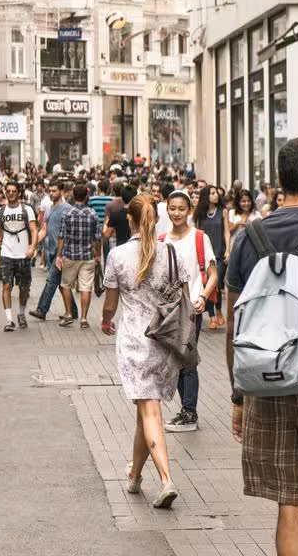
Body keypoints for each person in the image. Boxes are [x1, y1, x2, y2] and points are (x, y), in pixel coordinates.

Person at [226, 138, 298, 554]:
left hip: (265, 383)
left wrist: (238, 397)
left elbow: (236, 321)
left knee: (291, 501)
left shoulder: (248, 238)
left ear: (278, 179)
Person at [100, 195, 195, 510]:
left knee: (149, 410)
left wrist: (104, 320)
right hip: (166, 343)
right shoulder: (170, 251)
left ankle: (166, 479)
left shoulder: (117, 255)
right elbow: (184, 297)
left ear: (130, 220)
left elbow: (111, 304)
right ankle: (135, 475)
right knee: (146, 410)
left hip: (135, 342)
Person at [158, 190, 217, 434]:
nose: (177, 213)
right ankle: (187, 410)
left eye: (181, 208)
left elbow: (213, 274)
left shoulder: (199, 237)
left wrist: (203, 296)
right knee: (178, 360)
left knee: (187, 359)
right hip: (168, 311)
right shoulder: (162, 240)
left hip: (192, 308)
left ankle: (189, 412)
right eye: (172, 208)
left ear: (189, 210)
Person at [0, 181, 39, 331]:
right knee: (6, 285)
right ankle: (9, 320)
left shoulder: (27, 210)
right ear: (5, 192)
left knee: (24, 288)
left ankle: (21, 313)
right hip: (6, 253)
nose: (11, 193)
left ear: (19, 193)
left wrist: (32, 247)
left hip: (23, 254)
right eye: (9, 191)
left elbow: (34, 230)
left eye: (14, 191)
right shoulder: (0, 211)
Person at [56, 184, 101, 329]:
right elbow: (97, 237)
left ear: (74, 196)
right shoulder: (93, 214)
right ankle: (83, 318)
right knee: (86, 288)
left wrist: (59, 254)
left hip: (70, 255)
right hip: (87, 255)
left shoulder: (67, 214)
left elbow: (62, 236)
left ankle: (69, 314)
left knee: (66, 285)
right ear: (86, 196)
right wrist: (98, 254)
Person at [29, 182, 69, 322]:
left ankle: (42, 309)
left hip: (62, 253)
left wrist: (61, 254)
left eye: (54, 191)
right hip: (51, 251)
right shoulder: (50, 208)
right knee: (60, 283)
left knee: (51, 280)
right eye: (50, 191)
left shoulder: (67, 209)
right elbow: (44, 230)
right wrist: (33, 245)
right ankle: (73, 311)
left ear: (62, 191)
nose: (51, 193)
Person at [194, 185, 230, 330]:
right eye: (212, 193)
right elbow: (197, 233)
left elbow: (227, 232)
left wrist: (228, 249)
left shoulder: (223, 212)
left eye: (216, 193)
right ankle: (212, 317)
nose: (216, 196)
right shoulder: (200, 214)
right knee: (207, 285)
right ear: (206, 196)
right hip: (205, 255)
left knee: (217, 285)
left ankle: (219, 309)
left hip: (220, 253)